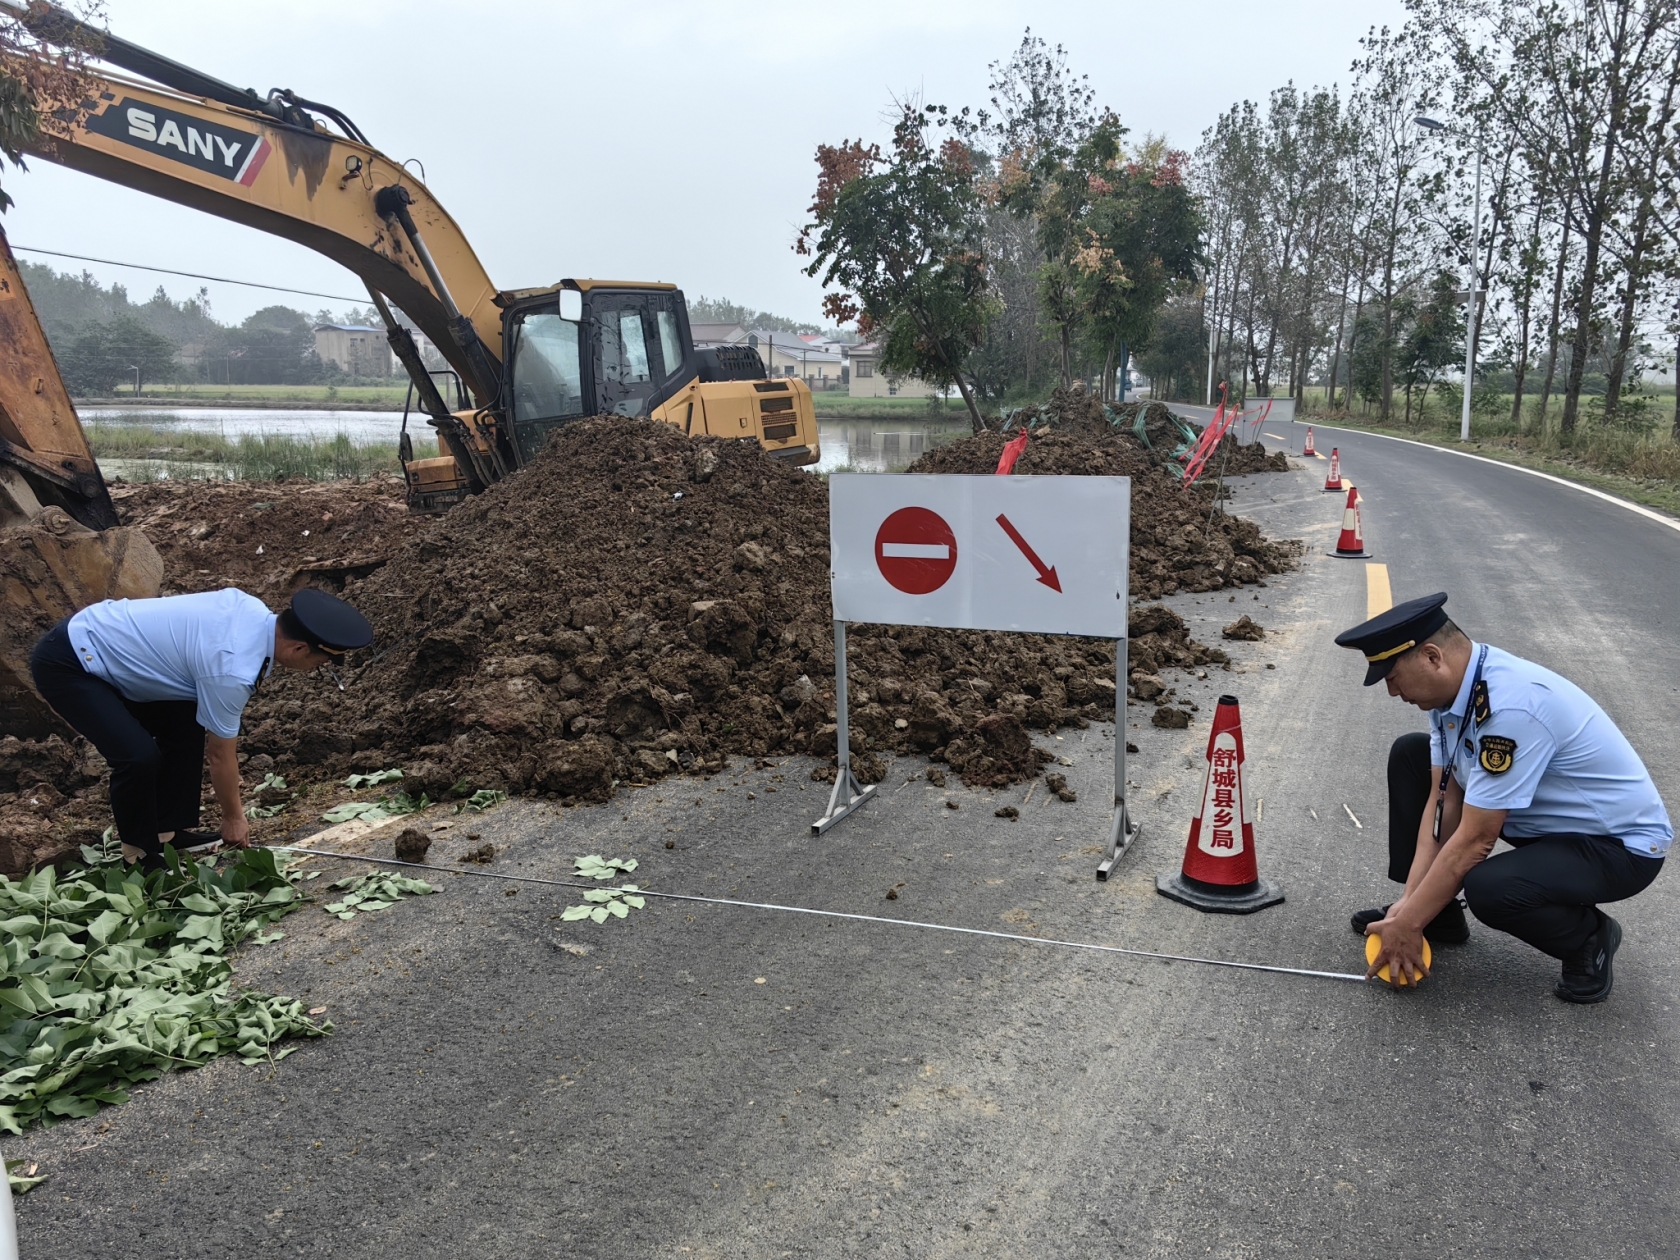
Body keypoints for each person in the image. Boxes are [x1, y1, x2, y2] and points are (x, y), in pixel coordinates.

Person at [1335, 592, 1670, 1003]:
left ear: (1432, 657)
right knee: (1411, 755)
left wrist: (1408, 923)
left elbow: (1477, 839)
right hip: (1543, 825)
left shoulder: (1511, 708)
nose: (1392, 691)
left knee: (1489, 887)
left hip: (1616, 847)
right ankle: (1437, 915)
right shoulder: (1453, 694)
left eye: (1393, 677)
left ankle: (1588, 937)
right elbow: (1444, 802)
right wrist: (1408, 910)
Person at [29, 587, 373, 870]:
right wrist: (233, 819)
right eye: (320, 663)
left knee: (186, 726)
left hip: (113, 646)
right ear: (298, 648)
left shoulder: (252, 610)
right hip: (72, 661)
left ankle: (166, 832)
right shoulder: (233, 669)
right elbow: (220, 756)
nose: (315, 669)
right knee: (137, 756)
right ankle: (138, 854)